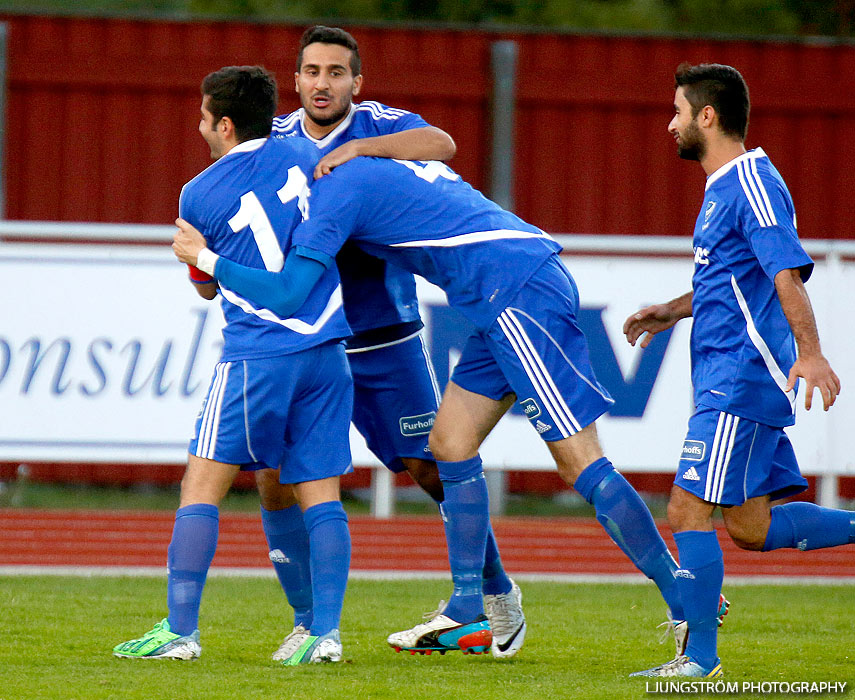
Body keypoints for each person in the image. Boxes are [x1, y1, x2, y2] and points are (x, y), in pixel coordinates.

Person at [172, 152, 698, 659]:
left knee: (578, 460)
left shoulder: (339, 181)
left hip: (514, 287)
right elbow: (435, 143)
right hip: (491, 297)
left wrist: (207, 257)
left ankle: (685, 599)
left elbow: (290, 289)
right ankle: (471, 605)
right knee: (449, 443)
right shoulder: (372, 153)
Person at [256, 25, 525, 661]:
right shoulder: (273, 141)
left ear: (357, 82)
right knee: (273, 478)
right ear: (295, 82)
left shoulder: (377, 123)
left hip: (384, 338)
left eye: (336, 72)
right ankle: (306, 623)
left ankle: (498, 596)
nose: (323, 83)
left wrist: (362, 152)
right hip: (306, 338)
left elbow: (443, 142)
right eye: (312, 72)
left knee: (430, 467)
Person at [113, 66, 354, 665]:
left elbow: (205, 287)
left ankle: (179, 631)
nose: (199, 127)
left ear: (223, 123)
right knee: (315, 492)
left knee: (202, 485)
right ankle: (320, 632)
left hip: (259, 355)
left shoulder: (198, 193)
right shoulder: (304, 152)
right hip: (327, 348)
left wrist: (202, 257)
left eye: (202, 117)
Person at [623, 63, 853, 679]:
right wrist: (674, 309)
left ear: (707, 117)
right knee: (750, 527)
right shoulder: (724, 186)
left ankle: (699, 660)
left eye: (677, 111)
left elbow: (784, 271)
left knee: (686, 511)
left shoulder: (750, 180)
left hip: (741, 376)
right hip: (728, 374)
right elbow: (733, 279)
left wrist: (810, 351)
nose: (668, 124)